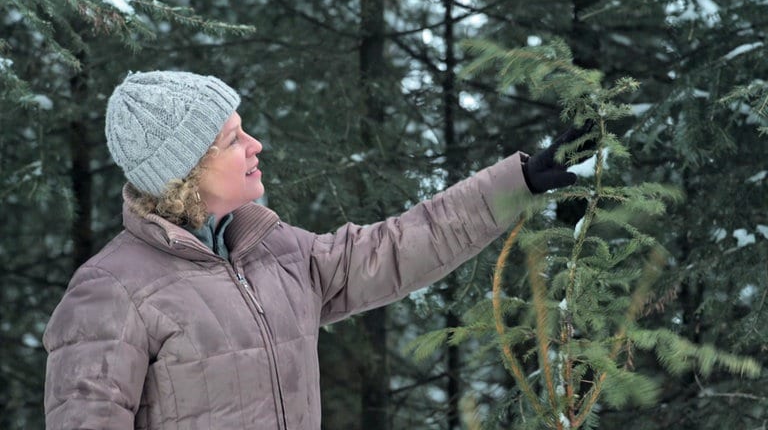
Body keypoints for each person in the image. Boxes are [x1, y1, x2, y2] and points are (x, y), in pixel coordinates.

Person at [43, 70, 593, 429]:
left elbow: (399, 247)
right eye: (233, 139)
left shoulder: (273, 250)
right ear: (184, 170)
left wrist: (519, 183)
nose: (255, 145)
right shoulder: (111, 292)